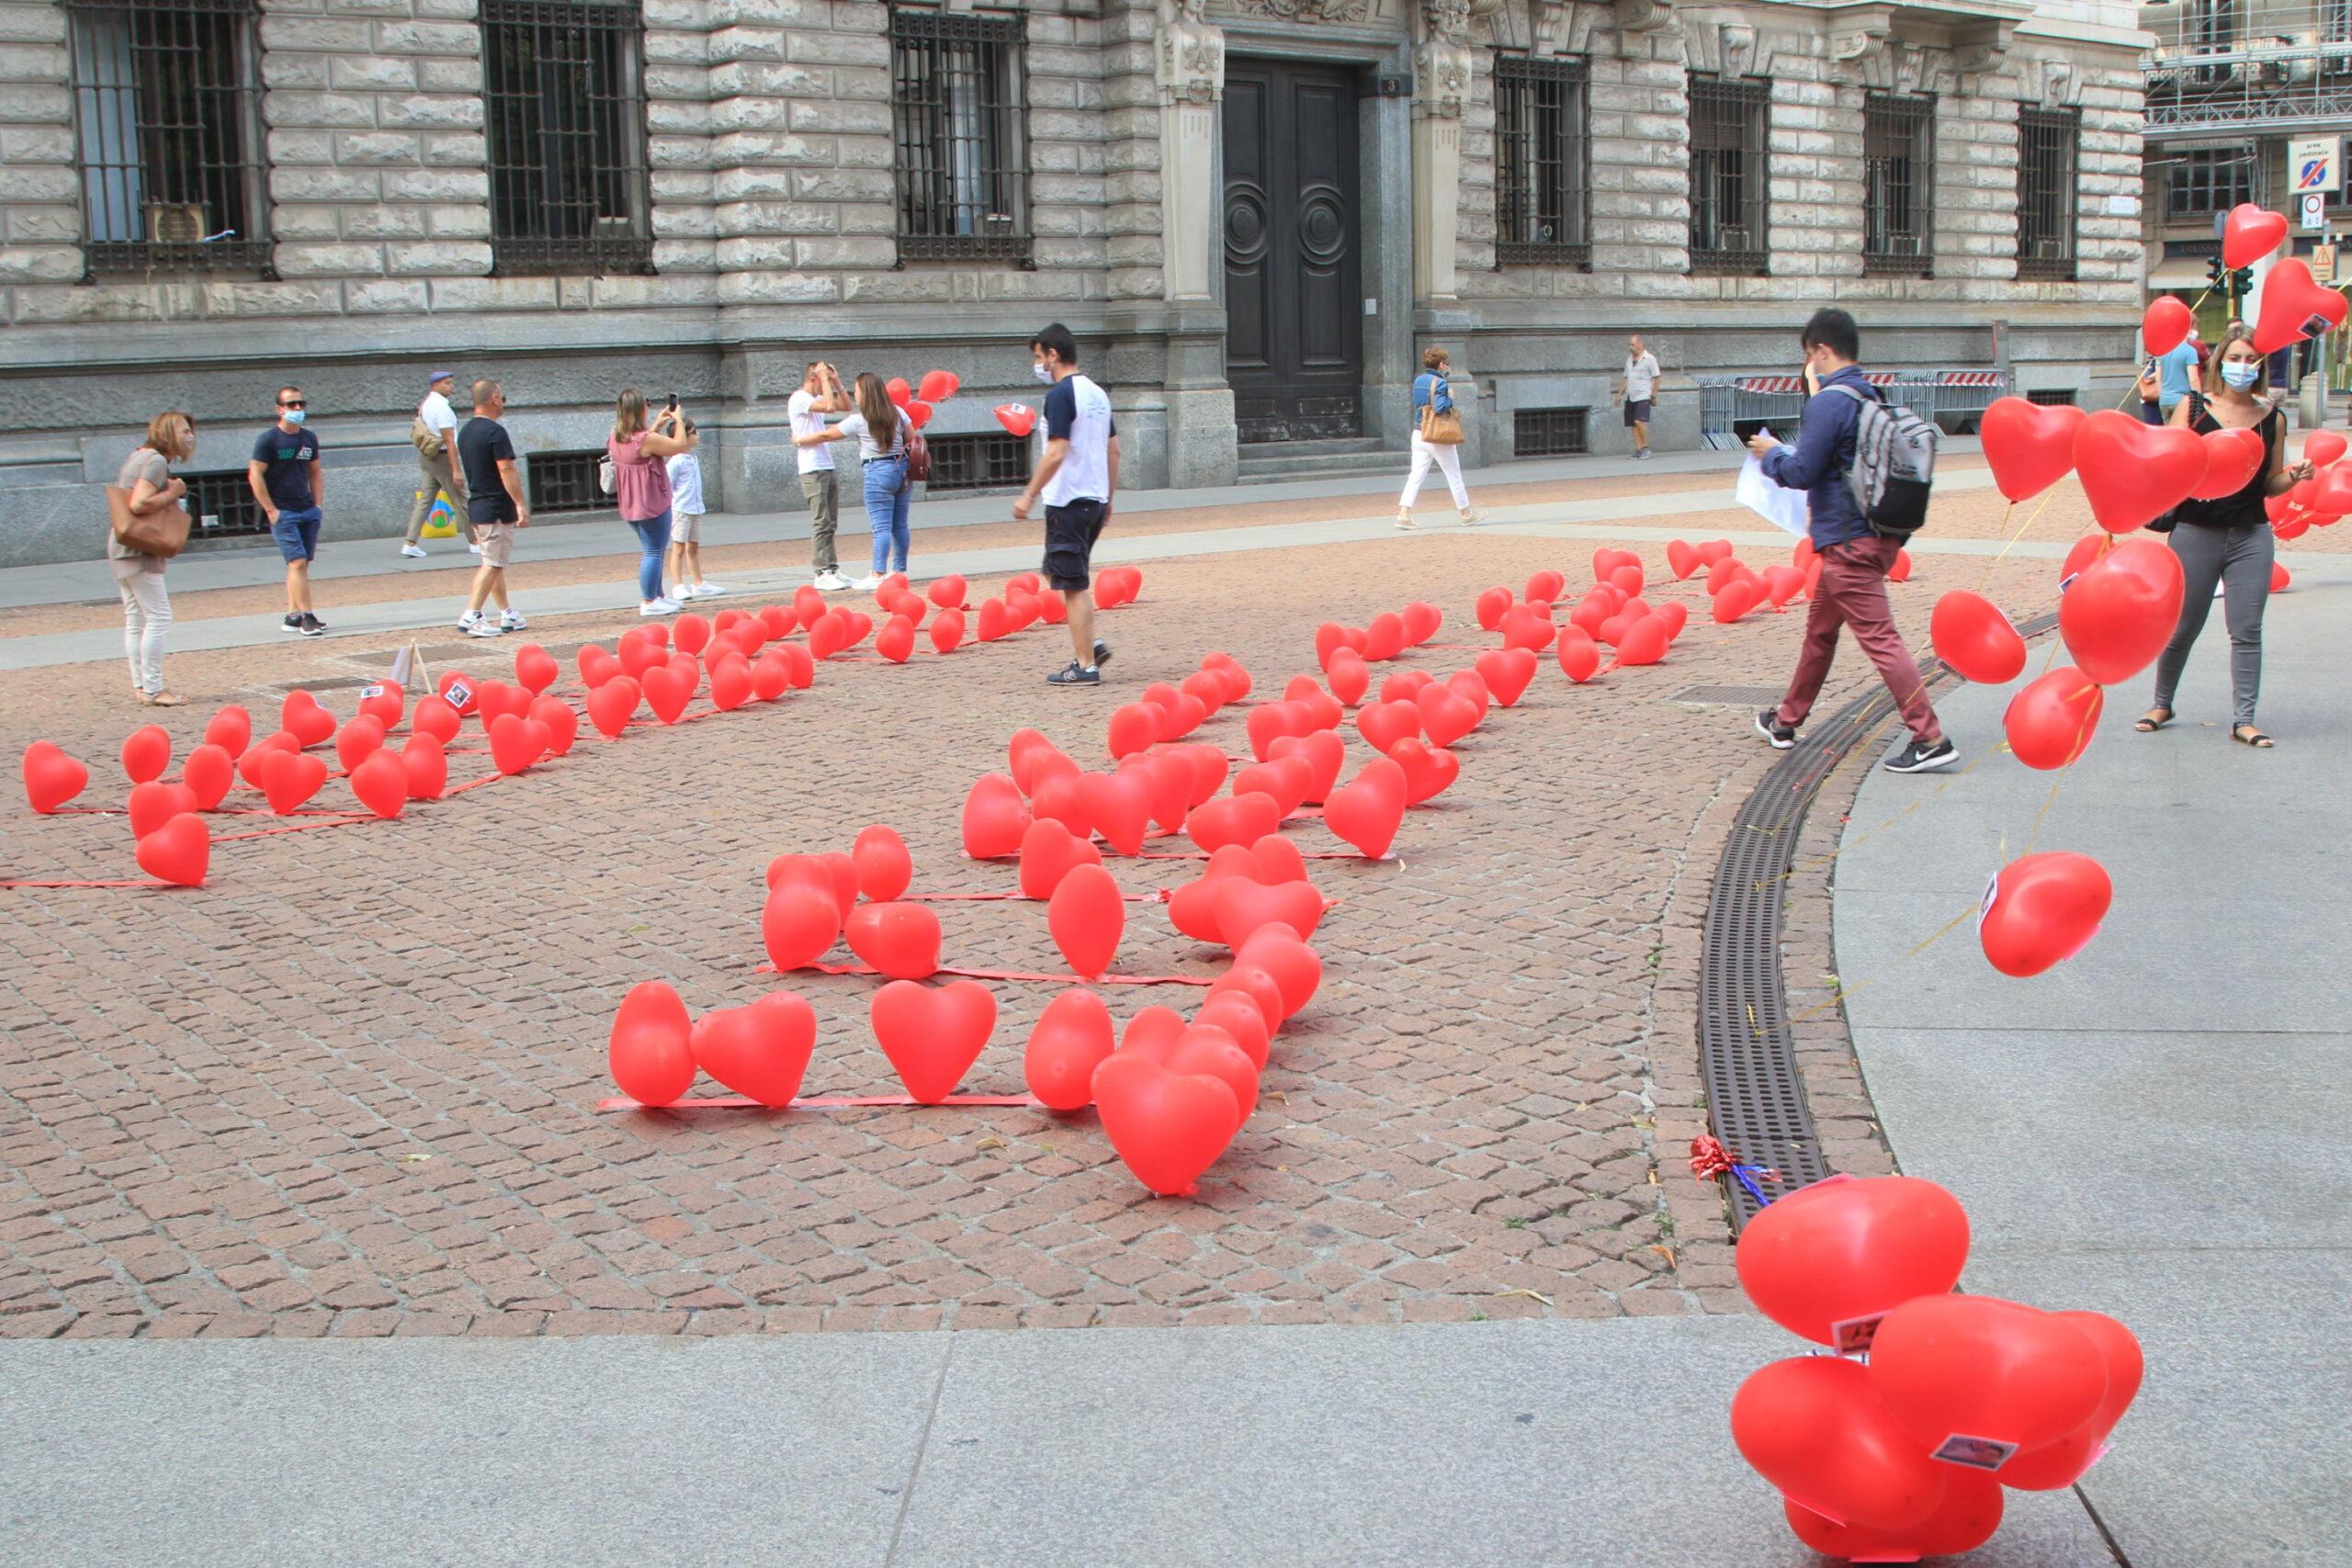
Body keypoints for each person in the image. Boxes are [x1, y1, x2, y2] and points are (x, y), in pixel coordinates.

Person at [1746, 308, 1955, 773]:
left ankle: (1930, 736)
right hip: (1875, 536)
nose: (1809, 367)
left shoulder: (1830, 401)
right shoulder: (1869, 396)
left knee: (1882, 640)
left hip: (1847, 543)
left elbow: (1801, 472)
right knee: (1819, 634)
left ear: (1821, 350)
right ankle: (1785, 720)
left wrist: (1771, 454)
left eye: (1809, 357)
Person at [2138, 325, 2312, 748]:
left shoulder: (2273, 417)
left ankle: (2243, 719)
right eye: (2234, 358)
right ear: (2219, 363)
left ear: (2262, 366)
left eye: (2251, 359)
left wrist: (2294, 477)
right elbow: (2166, 460)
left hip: (2251, 534)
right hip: (2196, 532)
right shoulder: (2194, 406)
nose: (2243, 366)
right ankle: (2162, 703)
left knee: (2247, 629)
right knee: (2183, 626)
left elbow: (2270, 483)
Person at [1012, 322, 1119, 686]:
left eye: (1039, 357)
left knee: (1072, 584)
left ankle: (1085, 664)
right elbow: (1113, 450)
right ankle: (1087, 641)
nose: (1038, 364)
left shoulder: (1060, 395)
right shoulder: (1098, 394)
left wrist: (1029, 494)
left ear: (1053, 355)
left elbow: (1057, 450)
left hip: (1068, 498)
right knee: (1059, 573)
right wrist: (1108, 498)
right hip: (1092, 497)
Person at [797, 373, 910, 591]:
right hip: (902, 469)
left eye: (856, 390)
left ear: (865, 393)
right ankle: (900, 570)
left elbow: (827, 435)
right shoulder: (898, 412)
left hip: (877, 471)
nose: (855, 393)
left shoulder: (859, 420)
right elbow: (912, 438)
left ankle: (878, 573)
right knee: (900, 525)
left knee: (881, 528)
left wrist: (800, 439)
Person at [112, 411, 194, 706]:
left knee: (136, 619)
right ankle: (154, 689)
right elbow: (140, 502)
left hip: (123, 545)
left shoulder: (140, 454)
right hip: (139, 548)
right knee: (159, 617)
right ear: (169, 434)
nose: (190, 437)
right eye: (184, 431)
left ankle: (142, 685)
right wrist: (174, 492)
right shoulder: (156, 461)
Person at [608, 389, 696, 617]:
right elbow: (678, 446)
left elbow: (643, 444)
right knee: (653, 552)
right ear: (639, 409)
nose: (649, 407)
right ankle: (648, 600)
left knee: (652, 550)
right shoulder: (645, 439)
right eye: (646, 403)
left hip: (631, 503)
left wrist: (656, 424)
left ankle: (657, 596)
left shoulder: (616, 436)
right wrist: (678, 420)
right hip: (652, 502)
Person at [248, 386, 326, 637]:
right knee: (297, 562)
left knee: (301, 565)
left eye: (300, 404)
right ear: (279, 409)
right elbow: (255, 474)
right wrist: (271, 509)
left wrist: (317, 504)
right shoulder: (269, 439)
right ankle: (306, 616)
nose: (297, 409)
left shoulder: (309, 438)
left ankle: (293, 615)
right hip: (284, 511)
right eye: (291, 404)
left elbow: (314, 471)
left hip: (306, 508)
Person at [455, 379, 530, 638]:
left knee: (494, 562)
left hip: (478, 504)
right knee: (492, 564)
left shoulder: (465, 432)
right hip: (495, 505)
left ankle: (506, 612)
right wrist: (520, 503)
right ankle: (472, 614)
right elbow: (506, 468)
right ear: (495, 398)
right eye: (503, 398)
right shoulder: (495, 433)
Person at [1397, 346, 1481, 529]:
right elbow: (1440, 407)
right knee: (1453, 474)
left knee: (1415, 475)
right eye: (1446, 362)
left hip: (1419, 433)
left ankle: (1403, 513)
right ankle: (1465, 513)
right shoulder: (1441, 383)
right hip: (1437, 435)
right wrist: (1450, 396)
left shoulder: (1418, 380)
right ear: (1441, 363)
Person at [789, 360, 853, 590]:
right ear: (813, 378)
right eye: (822, 377)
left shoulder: (816, 397)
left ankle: (832, 568)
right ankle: (821, 571)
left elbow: (844, 406)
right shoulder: (799, 398)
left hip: (825, 463)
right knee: (821, 521)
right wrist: (825, 379)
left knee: (831, 521)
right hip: (811, 467)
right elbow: (828, 407)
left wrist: (835, 381)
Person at [401, 369, 467, 558]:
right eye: (447, 383)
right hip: (443, 457)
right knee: (461, 499)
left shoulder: (426, 404)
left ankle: (410, 542)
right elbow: (449, 440)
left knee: (426, 500)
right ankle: (476, 541)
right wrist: (456, 470)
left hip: (428, 455)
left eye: (451, 383)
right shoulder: (442, 408)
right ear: (436, 385)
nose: (451, 387)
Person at [663, 420, 723, 601]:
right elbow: (668, 485)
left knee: (693, 547)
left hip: (695, 508)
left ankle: (698, 583)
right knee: (679, 547)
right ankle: (678, 585)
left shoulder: (693, 457)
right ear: (684, 437)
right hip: (681, 509)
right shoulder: (676, 461)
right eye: (694, 433)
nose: (698, 436)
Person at [2140, 327, 2204, 426]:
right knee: (2182, 436)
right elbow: (2193, 379)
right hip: (2183, 402)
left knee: (2169, 433)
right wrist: (2199, 401)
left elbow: (2158, 377)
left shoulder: (2161, 351)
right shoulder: (2190, 351)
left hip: (2165, 401)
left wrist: (2163, 395)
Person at [1619, 334, 1662, 459]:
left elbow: (1657, 377)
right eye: (1630, 345)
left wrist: (1653, 395)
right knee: (1633, 423)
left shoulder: (1649, 359)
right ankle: (1639, 449)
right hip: (1630, 395)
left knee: (1639, 421)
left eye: (1633, 344)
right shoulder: (1629, 359)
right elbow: (1626, 378)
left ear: (1640, 344)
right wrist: (1619, 394)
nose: (1631, 347)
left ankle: (1645, 447)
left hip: (1643, 394)